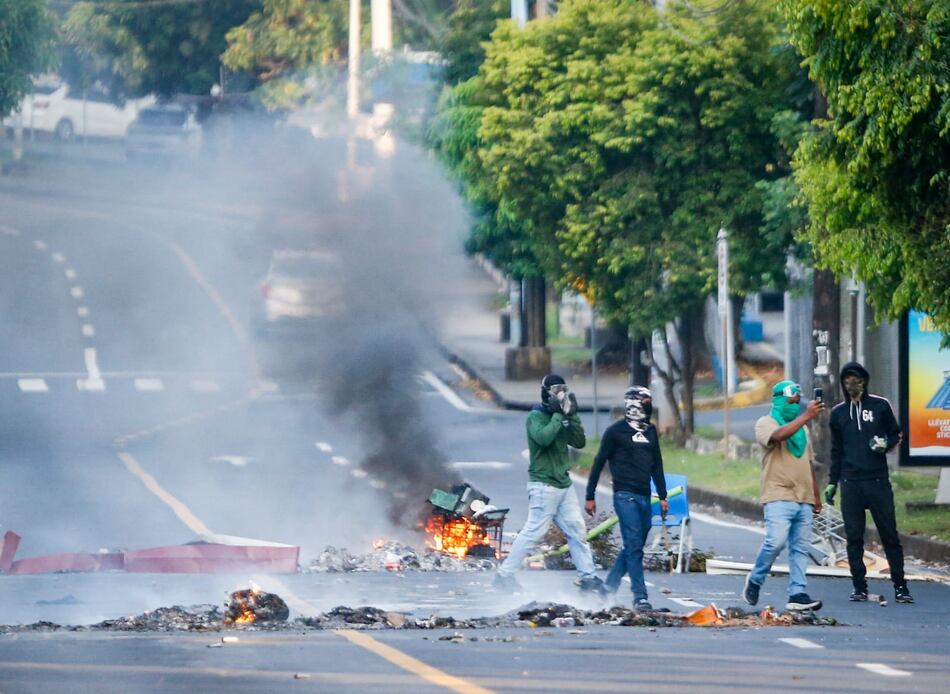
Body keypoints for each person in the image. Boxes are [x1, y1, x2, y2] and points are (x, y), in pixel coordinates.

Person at [493, 374, 605, 594]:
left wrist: (572, 417)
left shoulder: (561, 415)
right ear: (545, 392)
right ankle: (504, 575)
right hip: (543, 485)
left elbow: (579, 441)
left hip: (563, 483)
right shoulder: (536, 416)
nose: (560, 393)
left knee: (577, 530)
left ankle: (588, 577)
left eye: (563, 389)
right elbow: (544, 438)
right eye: (555, 389)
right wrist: (556, 414)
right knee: (534, 531)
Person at [825, 361, 912, 604]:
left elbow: (895, 433)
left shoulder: (880, 405)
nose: (853, 384)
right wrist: (832, 482)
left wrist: (886, 442)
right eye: (848, 380)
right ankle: (859, 586)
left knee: (889, 535)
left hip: (877, 480)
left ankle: (901, 586)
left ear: (865, 381)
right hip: (850, 482)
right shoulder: (838, 413)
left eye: (857, 379)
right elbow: (836, 450)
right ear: (843, 383)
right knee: (854, 537)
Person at [743, 380, 824, 612]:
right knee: (775, 541)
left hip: (804, 497)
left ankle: (797, 593)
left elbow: (808, 463)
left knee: (800, 548)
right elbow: (778, 436)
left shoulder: (803, 429)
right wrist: (806, 417)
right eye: (791, 399)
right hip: (778, 494)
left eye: (798, 400)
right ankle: (756, 579)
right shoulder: (765, 423)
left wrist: (816, 496)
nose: (795, 404)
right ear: (779, 399)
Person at [585, 386, 668, 611]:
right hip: (624, 496)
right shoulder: (615, 432)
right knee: (633, 545)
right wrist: (590, 495)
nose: (649, 405)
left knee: (635, 546)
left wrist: (662, 495)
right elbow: (599, 461)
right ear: (633, 403)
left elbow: (657, 464)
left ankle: (607, 588)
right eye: (646, 401)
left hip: (644, 496)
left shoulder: (650, 431)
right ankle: (640, 597)